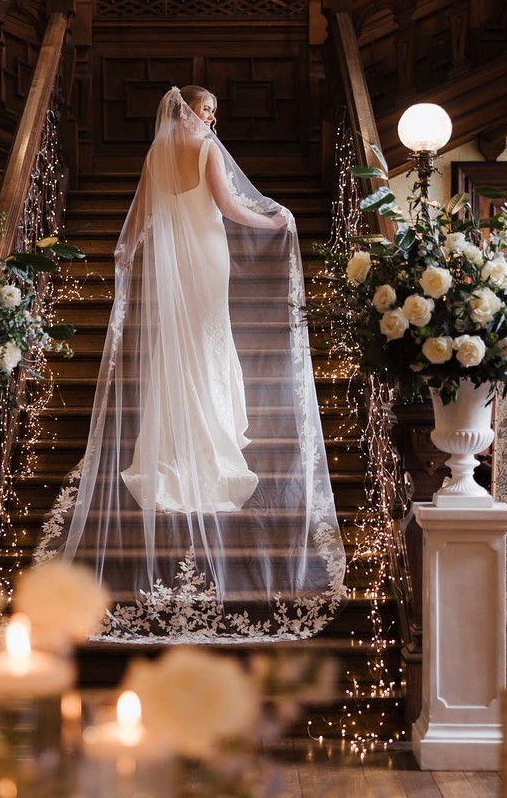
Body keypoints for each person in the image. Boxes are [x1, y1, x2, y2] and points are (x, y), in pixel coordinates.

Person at [34, 86, 345, 643]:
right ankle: (210, 441)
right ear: (190, 111)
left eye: (215, 114)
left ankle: (176, 445)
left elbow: (142, 216)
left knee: (182, 345)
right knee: (205, 339)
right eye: (208, 112)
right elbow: (228, 208)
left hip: (176, 262)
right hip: (206, 252)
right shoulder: (205, 150)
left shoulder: (156, 153)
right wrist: (278, 222)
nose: (212, 120)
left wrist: (125, 249)